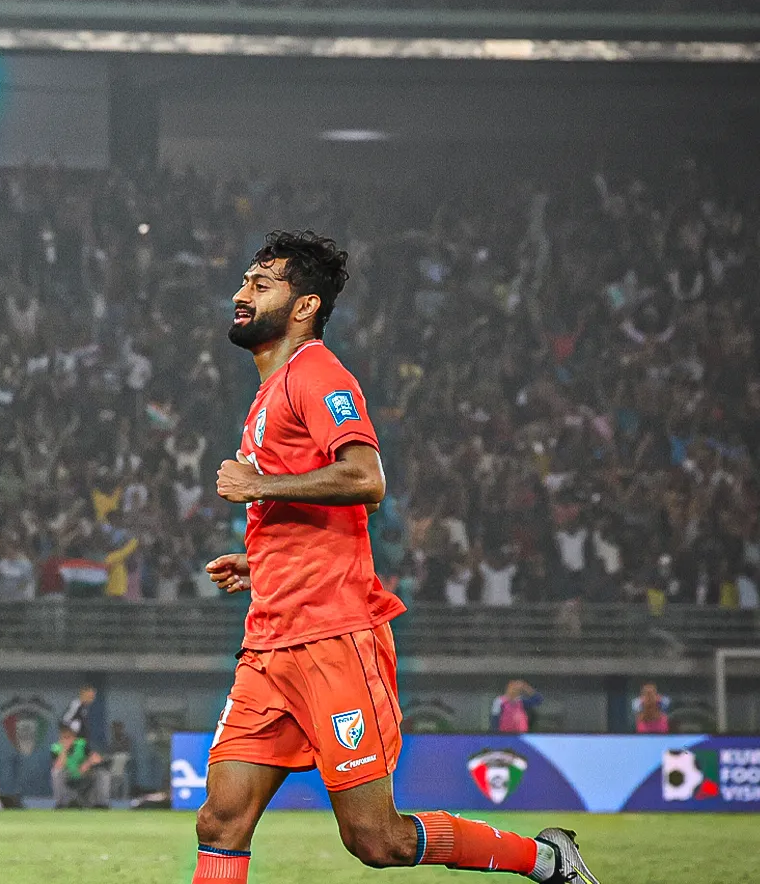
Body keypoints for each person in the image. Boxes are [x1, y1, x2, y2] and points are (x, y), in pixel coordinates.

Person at [194, 231, 597, 884]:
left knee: (375, 839)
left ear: (304, 306)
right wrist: (260, 562)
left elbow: (365, 479)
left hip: (333, 638)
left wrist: (258, 484)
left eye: (261, 284)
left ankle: (545, 859)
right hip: (270, 640)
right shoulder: (267, 394)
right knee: (221, 819)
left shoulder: (317, 373)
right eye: (244, 280)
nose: (241, 294)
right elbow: (316, 507)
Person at [50, 724, 110, 808]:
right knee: (56, 772)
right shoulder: (56, 748)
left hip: (84, 776)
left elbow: (97, 758)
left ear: (74, 738)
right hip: (69, 777)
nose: (66, 740)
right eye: (63, 737)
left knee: (103, 773)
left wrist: (87, 763)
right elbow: (57, 766)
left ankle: (102, 804)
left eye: (68, 737)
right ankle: (61, 803)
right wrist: (64, 751)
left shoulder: (81, 744)